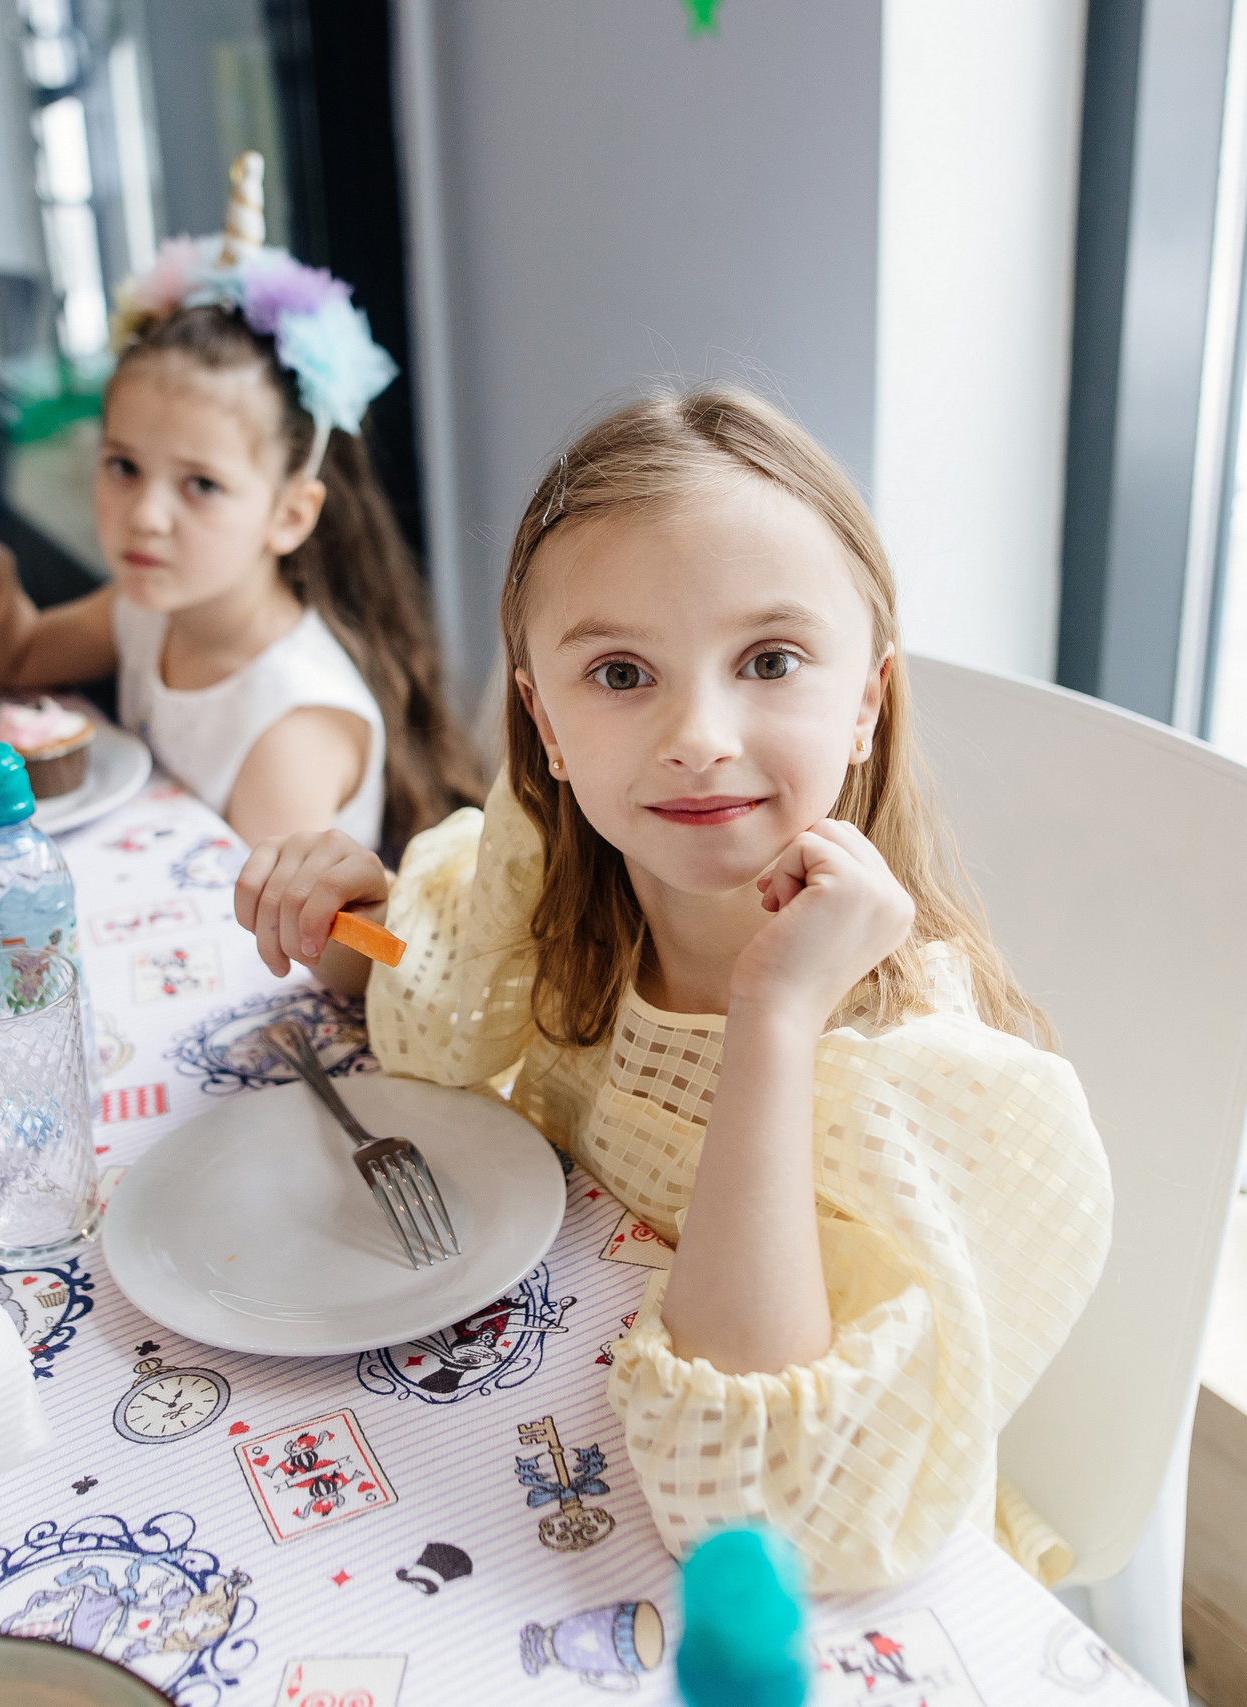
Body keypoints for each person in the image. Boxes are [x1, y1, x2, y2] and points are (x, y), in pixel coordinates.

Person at [235, 385, 1113, 1590]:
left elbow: (759, 1508)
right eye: (620, 672)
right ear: (544, 723)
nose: (699, 734)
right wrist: (344, 922)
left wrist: (774, 1017)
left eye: (769, 661)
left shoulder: (910, 1079)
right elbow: (429, 993)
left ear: (865, 704)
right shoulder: (557, 892)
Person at [0, 153, 480, 850]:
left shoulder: (289, 729)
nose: (146, 515)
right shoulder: (151, 613)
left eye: (201, 485)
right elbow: (20, 659)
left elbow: (262, 921)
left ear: (290, 516)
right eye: (123, 466)